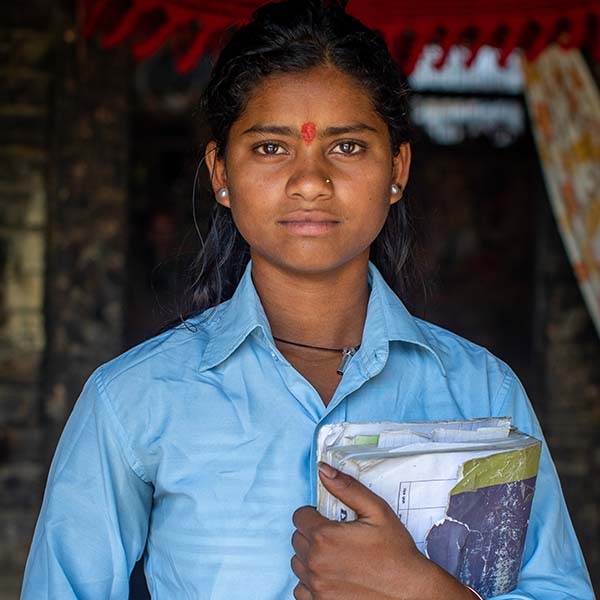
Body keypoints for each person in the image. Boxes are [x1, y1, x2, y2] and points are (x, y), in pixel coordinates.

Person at [21, 0, 594, 598]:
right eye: (271, 147)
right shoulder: (133, 400)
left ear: (397, 168)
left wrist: (424, 590)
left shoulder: (484, 393)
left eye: (346, 147)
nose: (310, 181)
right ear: (221, 172)